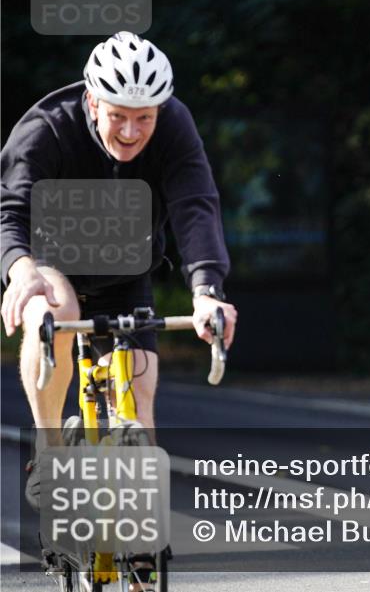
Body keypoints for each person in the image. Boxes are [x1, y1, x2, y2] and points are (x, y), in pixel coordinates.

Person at [1, 31, 237, 586]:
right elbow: (10, 210)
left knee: (139, 392)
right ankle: (50, 451)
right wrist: (20, 270)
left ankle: (138, 540)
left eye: (144, 119)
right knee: (56, 306)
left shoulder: (174, 124)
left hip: (127, 273)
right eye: (118, 117)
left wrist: (207, 289)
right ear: (92, 101)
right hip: (51, 267)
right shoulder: (47, 128)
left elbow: (195, 206)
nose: (131, 132)